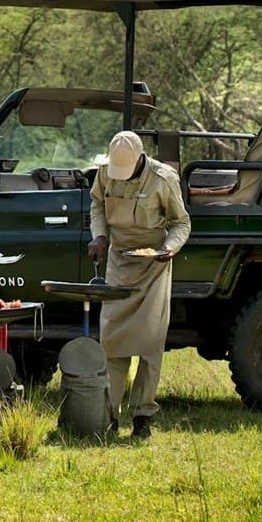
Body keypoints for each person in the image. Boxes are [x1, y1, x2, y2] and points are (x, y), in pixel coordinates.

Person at [87, 130, 191, 440]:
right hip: (119, 260)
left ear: (141, 159)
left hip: (153, 264)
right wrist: (100, 235)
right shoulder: (106, 172)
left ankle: (142, 416)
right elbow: (96, 205)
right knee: (112, 338)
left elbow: (181, 223)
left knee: (149, 343)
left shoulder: (163, 178)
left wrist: (169, 249)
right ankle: (109, 414)